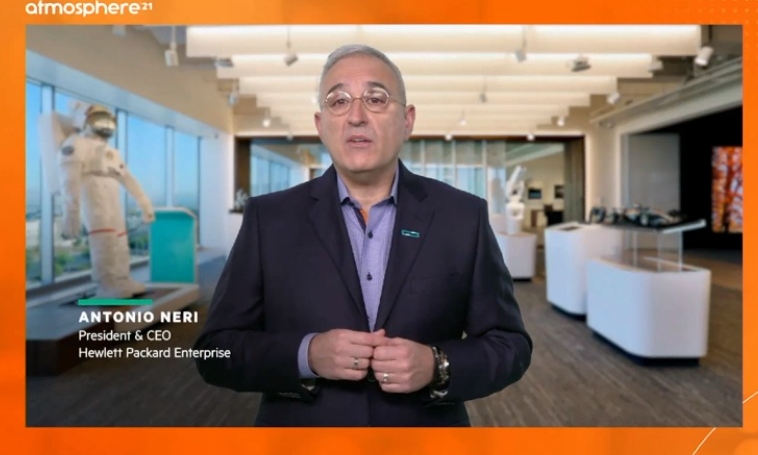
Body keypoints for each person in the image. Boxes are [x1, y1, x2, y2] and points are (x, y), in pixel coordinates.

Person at [193, 44, 533, 427]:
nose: (356, 116)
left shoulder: (462, 216)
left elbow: (510, 344)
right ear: (321, 125)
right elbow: (215, 351)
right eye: (338, 102)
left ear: (407, 120)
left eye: (376, 99)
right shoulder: (268, 219)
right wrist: (307, 354)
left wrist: (437, 364)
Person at [41, 103, 155, 299]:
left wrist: (144, 203)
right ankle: (107, 284)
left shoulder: (111, 152)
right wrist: (71, 211)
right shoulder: (76, 143)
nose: (105, 125)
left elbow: (127, 178)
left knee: (120, 239)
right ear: (83, 121)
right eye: (99, 119)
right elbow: (69, 179)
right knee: (104, 239)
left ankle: (122, 279)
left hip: (110, 191)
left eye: (108, 121)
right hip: (91, 191)